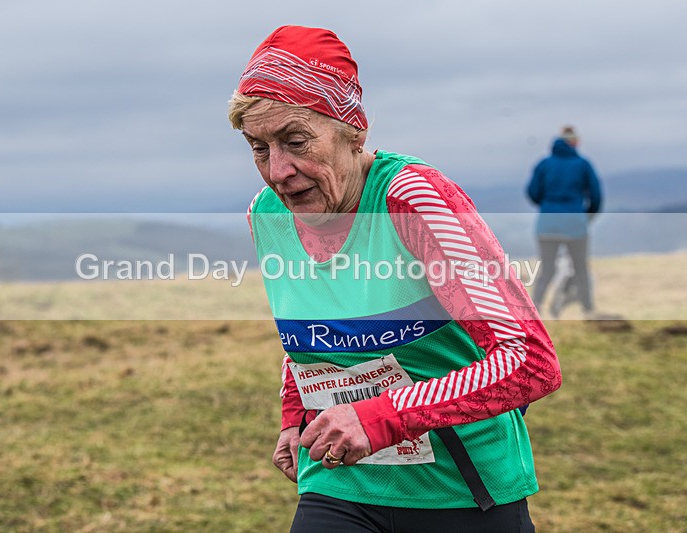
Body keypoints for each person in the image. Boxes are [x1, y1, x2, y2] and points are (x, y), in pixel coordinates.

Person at [229, 25, 561, 532]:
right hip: (340, 483)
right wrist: (296, 414)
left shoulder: (413, 201)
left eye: (296, 142)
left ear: (352, 129)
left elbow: (530, 361)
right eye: (258, 148)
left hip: (460, 492)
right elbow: (311, 333)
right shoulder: (267, 215)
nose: (278, 171)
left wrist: (380, 416)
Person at [526, 126, 602, 318]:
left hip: (547, 224)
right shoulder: (583, 164)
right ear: (574, 142)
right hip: (575, 224)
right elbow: (596, 196)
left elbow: (533, 192)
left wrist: (548, 205)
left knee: (547, 269)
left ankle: (535, 307)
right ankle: (588, 309)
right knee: (580, 268)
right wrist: (586, 217)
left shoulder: (544, 164)